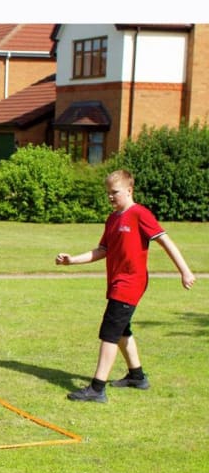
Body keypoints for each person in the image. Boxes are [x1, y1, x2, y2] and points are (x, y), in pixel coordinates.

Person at [55, 169, 195, 403]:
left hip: (130, 283)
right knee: (121, 331)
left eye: (115, 192)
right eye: (108, 193)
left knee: (109, 333)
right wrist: (71, 261)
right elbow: (102, 250)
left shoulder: (139, 213)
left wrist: (185, 271)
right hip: (117, 282)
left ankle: (97, 389)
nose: (110, 197)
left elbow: (165, 241)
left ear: (129, 190)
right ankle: (137, 376)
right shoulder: (112, 219)